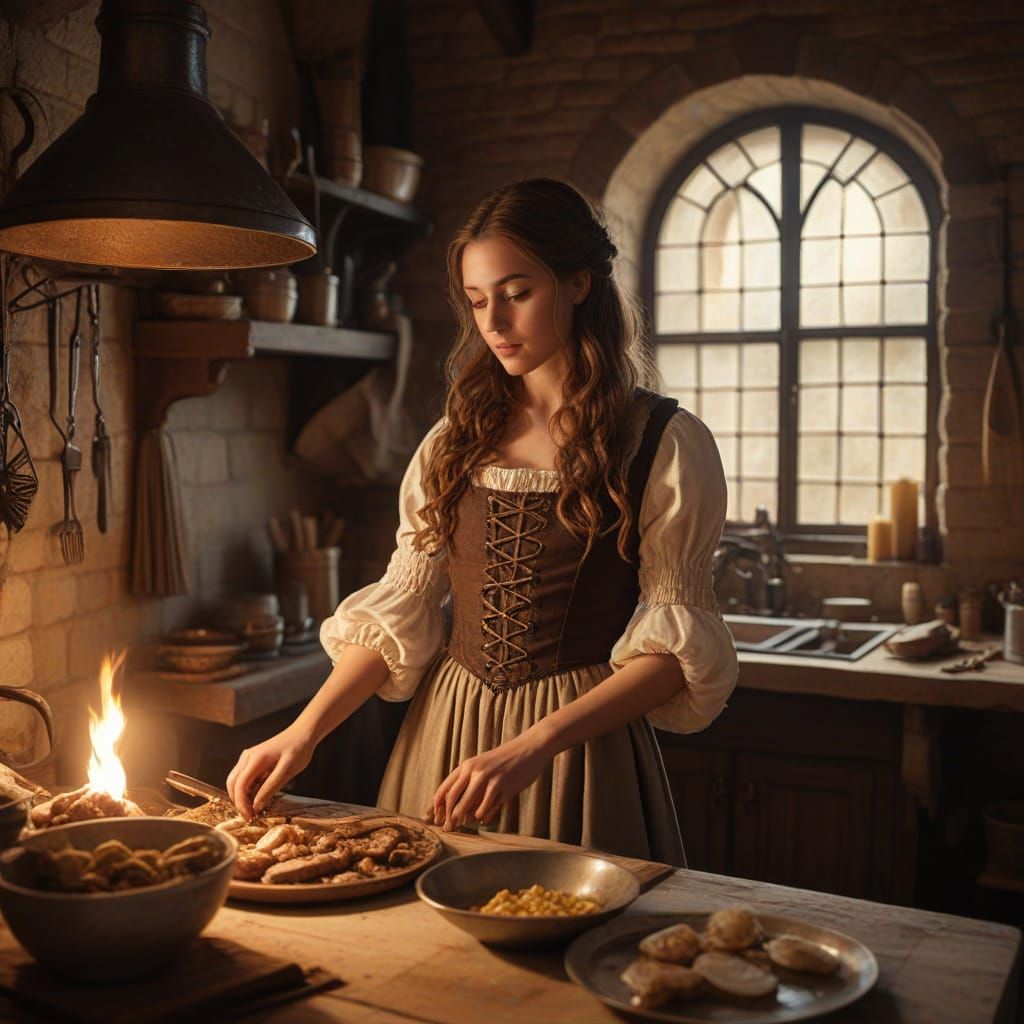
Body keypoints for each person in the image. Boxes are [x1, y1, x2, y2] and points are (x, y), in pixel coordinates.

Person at [227, 178, 738, 866]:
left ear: (579, 284)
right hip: (446, 735)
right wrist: (304, 732)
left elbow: (675, 653)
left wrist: (536, 744)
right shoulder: (454, 440)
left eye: (516, 293)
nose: (493, 322)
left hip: (578, 750)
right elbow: (403, 606)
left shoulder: (663, 443)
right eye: (476, 300)